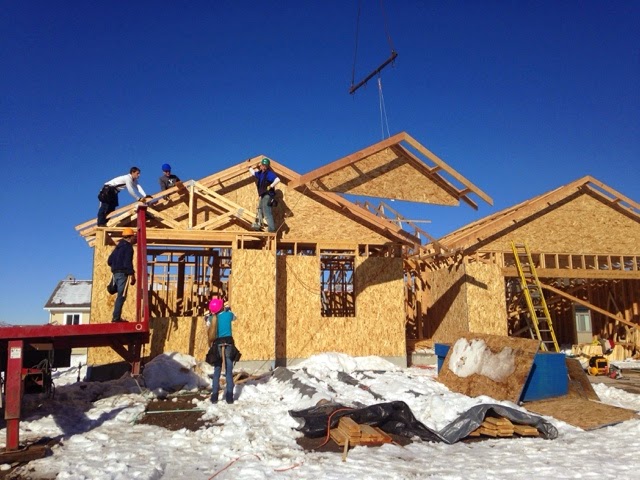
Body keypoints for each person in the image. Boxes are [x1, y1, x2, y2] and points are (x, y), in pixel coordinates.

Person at [208, 301, 237, 404]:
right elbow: (235, 317)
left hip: (217, 347)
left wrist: (209, 316)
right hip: (228, 345)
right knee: (229, 372)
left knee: (217, 371)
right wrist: (228, 310)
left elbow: (207, 322)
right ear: (221, 307)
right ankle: (229, 398)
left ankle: (214, 397)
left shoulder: (211, 318)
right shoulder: (228, 315)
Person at [107, 227, 137, 323]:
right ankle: (116, 318)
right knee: (121, 295)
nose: (135, 239)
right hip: (122, 273)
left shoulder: (118, 247)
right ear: (130, 237)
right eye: (134, 237)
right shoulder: (128, 247)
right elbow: (128, 262)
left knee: (118, 292)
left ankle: (116, 317)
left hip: (115, 273)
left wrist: (116, 265)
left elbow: (109, 261)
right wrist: (132, 275)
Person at [249, 157, 280, 232]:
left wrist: (271, 186)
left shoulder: (269, 173)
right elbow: (253, 173)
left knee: (266, 211)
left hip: (267, 195)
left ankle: (271, 228)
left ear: (267, 166)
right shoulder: (260, 173)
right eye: (263, 165)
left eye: (265, 166)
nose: (263, 167)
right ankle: (259, 225)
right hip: (262, 195)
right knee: (259, 209)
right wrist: (249, 167)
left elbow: (277, 179)